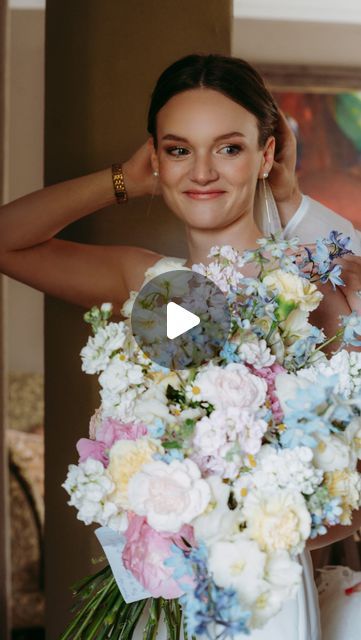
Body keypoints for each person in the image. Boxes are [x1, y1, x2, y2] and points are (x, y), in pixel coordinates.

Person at [0, 53, 360, 639]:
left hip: (263, 599)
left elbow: (352, 491)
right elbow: (7, 242)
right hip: (155, 601)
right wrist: (121, 179)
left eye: (229, 147)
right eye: (178, 149)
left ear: (266, 154)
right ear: (157, 159)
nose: (201, 172)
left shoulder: (314, 294)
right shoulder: (151, 287)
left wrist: (241, 523)